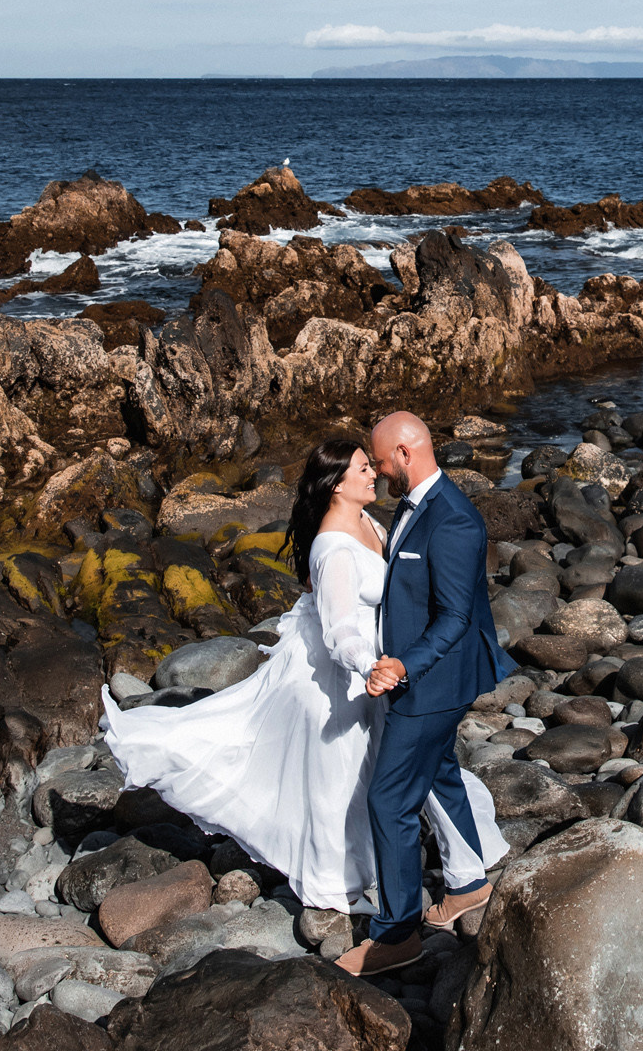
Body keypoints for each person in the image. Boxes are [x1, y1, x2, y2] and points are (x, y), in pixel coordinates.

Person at [96, 435, 507, 920]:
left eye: (371, 466)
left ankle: (460, 871)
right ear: (336, 485)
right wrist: (370, 667)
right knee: (340, 781)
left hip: (387, 669)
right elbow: (339, 630)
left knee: (407, 769)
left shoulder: (370, 522)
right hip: (345, 678)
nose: (373, 474)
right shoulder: (332, 546)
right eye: (362, 469)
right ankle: (342, 882)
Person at [335, 411, 519, 978]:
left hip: (432, 683)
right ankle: (466, 886)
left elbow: (456, 616)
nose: (381, 470)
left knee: (389, 802)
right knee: (439, 771)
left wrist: (401, 666)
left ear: (408, 454)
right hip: (428, 677)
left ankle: (396, 936)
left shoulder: (455, 520)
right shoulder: (414, 506)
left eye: (383, 461)